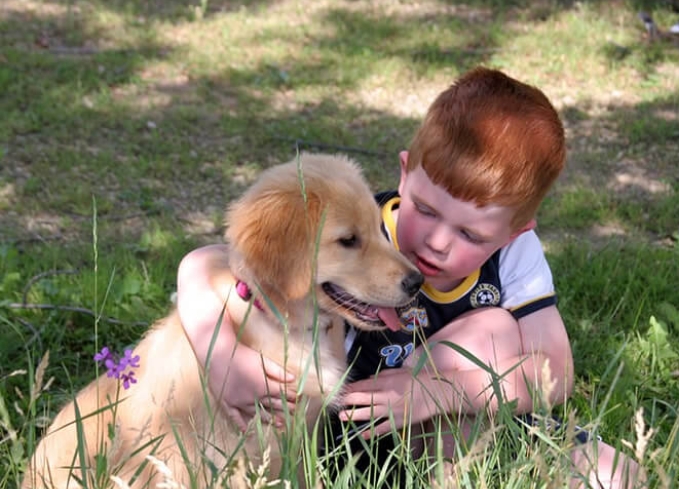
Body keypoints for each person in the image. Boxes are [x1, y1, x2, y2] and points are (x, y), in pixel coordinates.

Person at [176, 67, 640, 488]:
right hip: (345, 437)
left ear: (514, 232)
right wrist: (219, 358)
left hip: (461, 417)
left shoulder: (517, 254)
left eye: (470, 233)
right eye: (427, 209)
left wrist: (432, 393)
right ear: (405, 174)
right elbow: (213, 261)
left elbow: (554, 373)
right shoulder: (362, 226)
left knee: (614, 473)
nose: (437, 241)